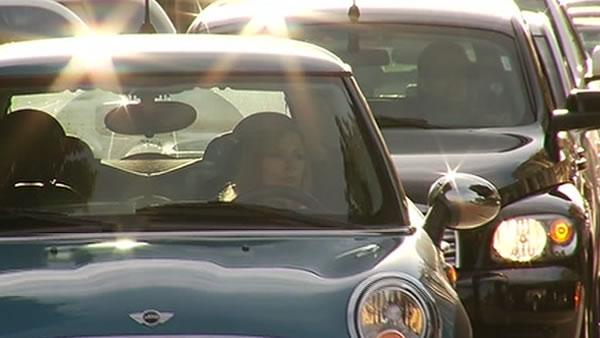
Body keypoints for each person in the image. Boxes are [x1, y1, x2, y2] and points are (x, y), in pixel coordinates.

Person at [218, 112, 314, 209]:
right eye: (277, 155)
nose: (291, 166)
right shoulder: (228, 217)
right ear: (253, 163)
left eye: (299, 156)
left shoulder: (317, 217)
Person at [416, 41, 475, 126]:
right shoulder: (405, 118)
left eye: (461, 72)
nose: (455, 81)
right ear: (423, 82)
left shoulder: (494, 121)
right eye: (443, 74)